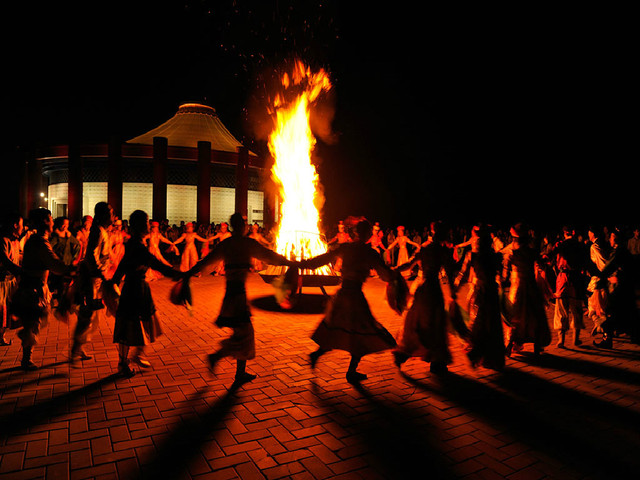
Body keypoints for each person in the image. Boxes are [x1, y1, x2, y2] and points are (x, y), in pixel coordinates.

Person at [184, 213, 296, 385]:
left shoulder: (227, 244)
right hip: (237, 296)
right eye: (244, 224)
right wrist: (290, 262)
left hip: (232, 293)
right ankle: (218, 357)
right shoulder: (246, 244)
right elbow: (269, 256)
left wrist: (187, 274)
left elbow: (206, 261)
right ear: (241, 226)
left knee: (243, 333)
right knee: (245, 333)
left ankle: (238, 372)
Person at [300, 220, 397, 383]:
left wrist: (301, 264)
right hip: (355, 297)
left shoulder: (346, 248)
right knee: (362, 333)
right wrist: (395, 278)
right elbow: (385, 275)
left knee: (335, 328)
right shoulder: (370, 253)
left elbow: (322, 260)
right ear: (366, 234)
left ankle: (317, 354)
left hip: (342, 294)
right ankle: (351, 371)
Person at [111, 210, 183, 377]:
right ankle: (125, 362)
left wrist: (114, 281)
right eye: (147, 221)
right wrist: (178, 274)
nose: (149, 224)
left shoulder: (135, 244)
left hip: (136, 288)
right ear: (141, 225)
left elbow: (123, 268)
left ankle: (136, 355)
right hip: (135, 289)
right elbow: (156, 264)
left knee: (144, 322)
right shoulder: (137, 246)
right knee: (132, 325)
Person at [392, 221, 459, 374]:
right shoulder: (443, 251)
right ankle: (436, 360)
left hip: (421, 288)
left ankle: (404, 353)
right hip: (434, 290)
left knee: (415, 320)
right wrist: (453, 292)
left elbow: (409, 264)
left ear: (432, 232)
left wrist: (395, 270)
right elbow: (449, 273)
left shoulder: (425, 247)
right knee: (434, 324)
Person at [10, 209, 70, 370]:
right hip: (33, 289)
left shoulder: (38, 239)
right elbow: (54, 263)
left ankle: (26, 350)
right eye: (50, 219)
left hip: (36, 287)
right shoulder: (39, 241)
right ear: (44, 221)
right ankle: (26, 358)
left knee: (38, 321)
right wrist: (71, 269)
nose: (53, 222)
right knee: (35, 322)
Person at [454, 225, 505, 370]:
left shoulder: (473, 255)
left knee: (479, 322)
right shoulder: (496, 256)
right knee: (492, 324)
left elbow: (462, 275)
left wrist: (455, 290)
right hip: (492, 291)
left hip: (480, 291)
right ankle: (490, 358)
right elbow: (501, 275)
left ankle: (477, 354)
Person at [72, 202, 114, 364]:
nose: (113, 216)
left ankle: (79, 347)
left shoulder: (102, 230)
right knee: (87, 313)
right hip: (92, 278)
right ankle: (75, 350)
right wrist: (101, 274)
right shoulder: (98, 231)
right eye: (111, 213)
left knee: (90, 314)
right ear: (103, 215)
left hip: (96, 277)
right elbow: (91, 255)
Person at [501, 223, 551, 356]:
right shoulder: (532, 251)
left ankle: (510, 343)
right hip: (531, 285)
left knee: (514, 316)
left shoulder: (511, 252)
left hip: (516, 287)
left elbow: (504, 275)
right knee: (535, 314)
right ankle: (537, 344)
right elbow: (540, 265)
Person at [593, 228, 639, 348]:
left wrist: (599, 283)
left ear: (617, 238)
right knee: (624, 315)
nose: (610, 239)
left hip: (620, 288)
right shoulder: (622, 251)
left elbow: (608, 268)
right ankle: (611, 338)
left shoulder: (619, 251)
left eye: (612, 236)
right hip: (624, 287)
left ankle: (608, 337)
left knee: (614, 315)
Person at [548, 226, 588, 347]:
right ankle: (573, 339)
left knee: (562, 309)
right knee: (575, 309)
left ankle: (562, 340)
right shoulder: (579, 246)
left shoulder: (561, 244)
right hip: (573, 279)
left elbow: (549, 256)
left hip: (564, 279)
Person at [0, 214, 23, 346]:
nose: (23, 227)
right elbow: (6, 261)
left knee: (7, 310)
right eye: (21, 224)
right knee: (2, 309)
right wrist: (21, 271)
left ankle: (1, 335)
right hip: (2, 281)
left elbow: (18, 257)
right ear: (15, 225)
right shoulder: (3, 240)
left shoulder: (15, 241)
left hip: (10, 281)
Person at [586, 226, 610, 336]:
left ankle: (603, 329)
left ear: (593, 234)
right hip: (602, 276)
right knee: (598, 304)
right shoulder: (602, 244)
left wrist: (602, 274)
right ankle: (600, 326)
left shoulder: (595, 246)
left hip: (600, 277)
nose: (588, 234)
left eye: (589, 232)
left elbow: (602, 262)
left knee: (595, 304)